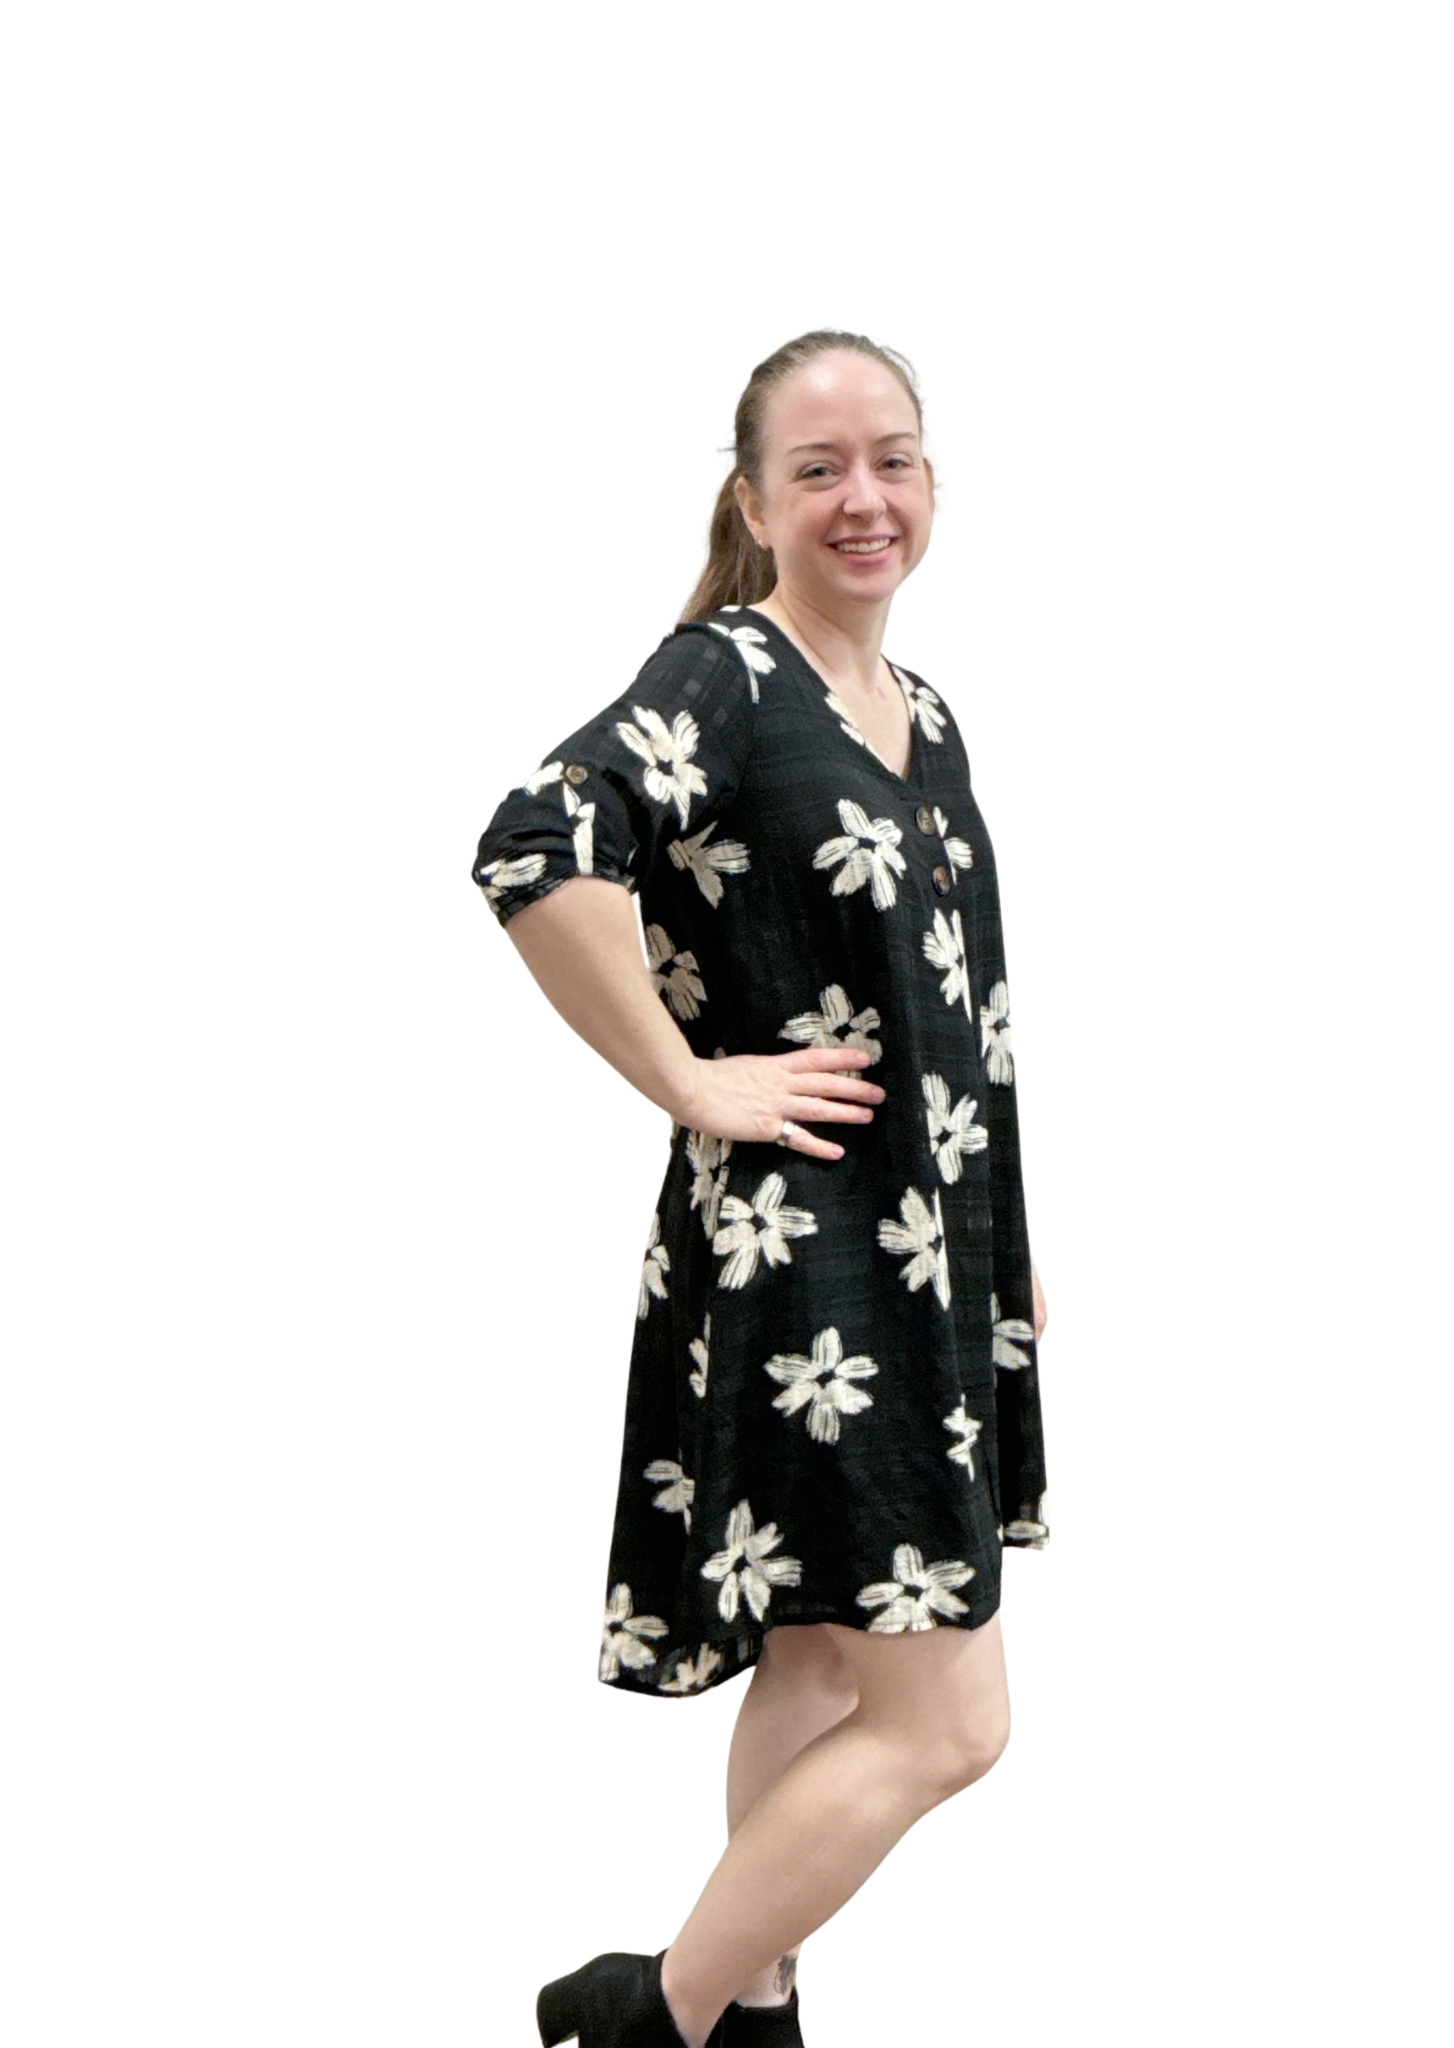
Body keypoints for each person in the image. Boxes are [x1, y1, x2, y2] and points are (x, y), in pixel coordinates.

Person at [469, 330, 1052, 2048]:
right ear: (755, 500)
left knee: (814, 1661)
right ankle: (662, 2014)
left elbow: (965, 1009)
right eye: (818, 468)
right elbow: (531, 843)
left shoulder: (926, 717)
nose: (862, 496)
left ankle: (749, 2010)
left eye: (893, 457)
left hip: (925, 1257)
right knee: (953, 1720)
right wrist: (686, 1074)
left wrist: (1008, 1245)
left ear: (932, 481)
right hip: (812, 1270)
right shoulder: (729, 674)